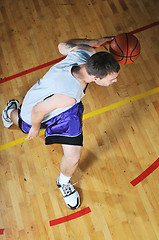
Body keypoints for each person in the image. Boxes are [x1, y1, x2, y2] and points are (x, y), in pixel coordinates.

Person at [2, 37, 120, 210]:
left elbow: (62, 46)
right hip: (35, 109)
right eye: (112, 79)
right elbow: (38, 110)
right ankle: (10, 111)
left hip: (61, 106)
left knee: (73, 157)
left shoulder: (87, 52)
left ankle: (63, 182)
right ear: (95, 78)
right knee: (23, 123)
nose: (115, 81)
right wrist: (35, 128)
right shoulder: (69, 94)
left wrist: (95, 41)